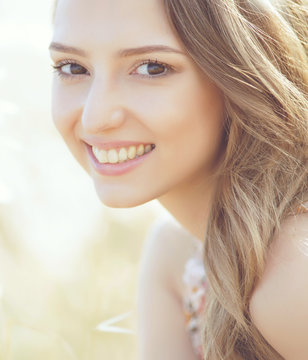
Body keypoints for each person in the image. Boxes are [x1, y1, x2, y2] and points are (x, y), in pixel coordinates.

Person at [48, 0, 308, 359]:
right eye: (72, 66)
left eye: (152, 68)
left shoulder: (290, 272)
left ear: (244, 70)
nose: (95, 118)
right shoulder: (177, 255)